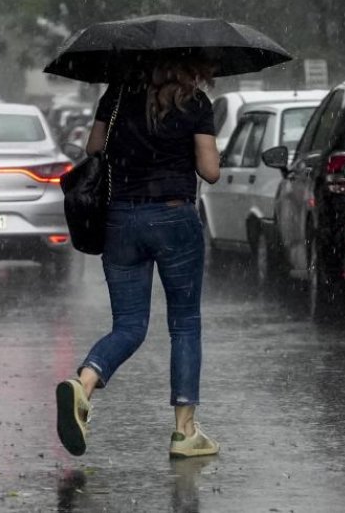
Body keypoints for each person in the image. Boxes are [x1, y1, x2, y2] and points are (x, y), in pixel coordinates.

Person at [55, 56, 222, 459]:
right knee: (185, 324)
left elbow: (93, 150)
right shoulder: (195, 102)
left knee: (129, 325)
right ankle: (185, 432)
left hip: (121, 219)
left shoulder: (115, 99)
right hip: (174, 216)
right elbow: (210, 171)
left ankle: (84, 383)